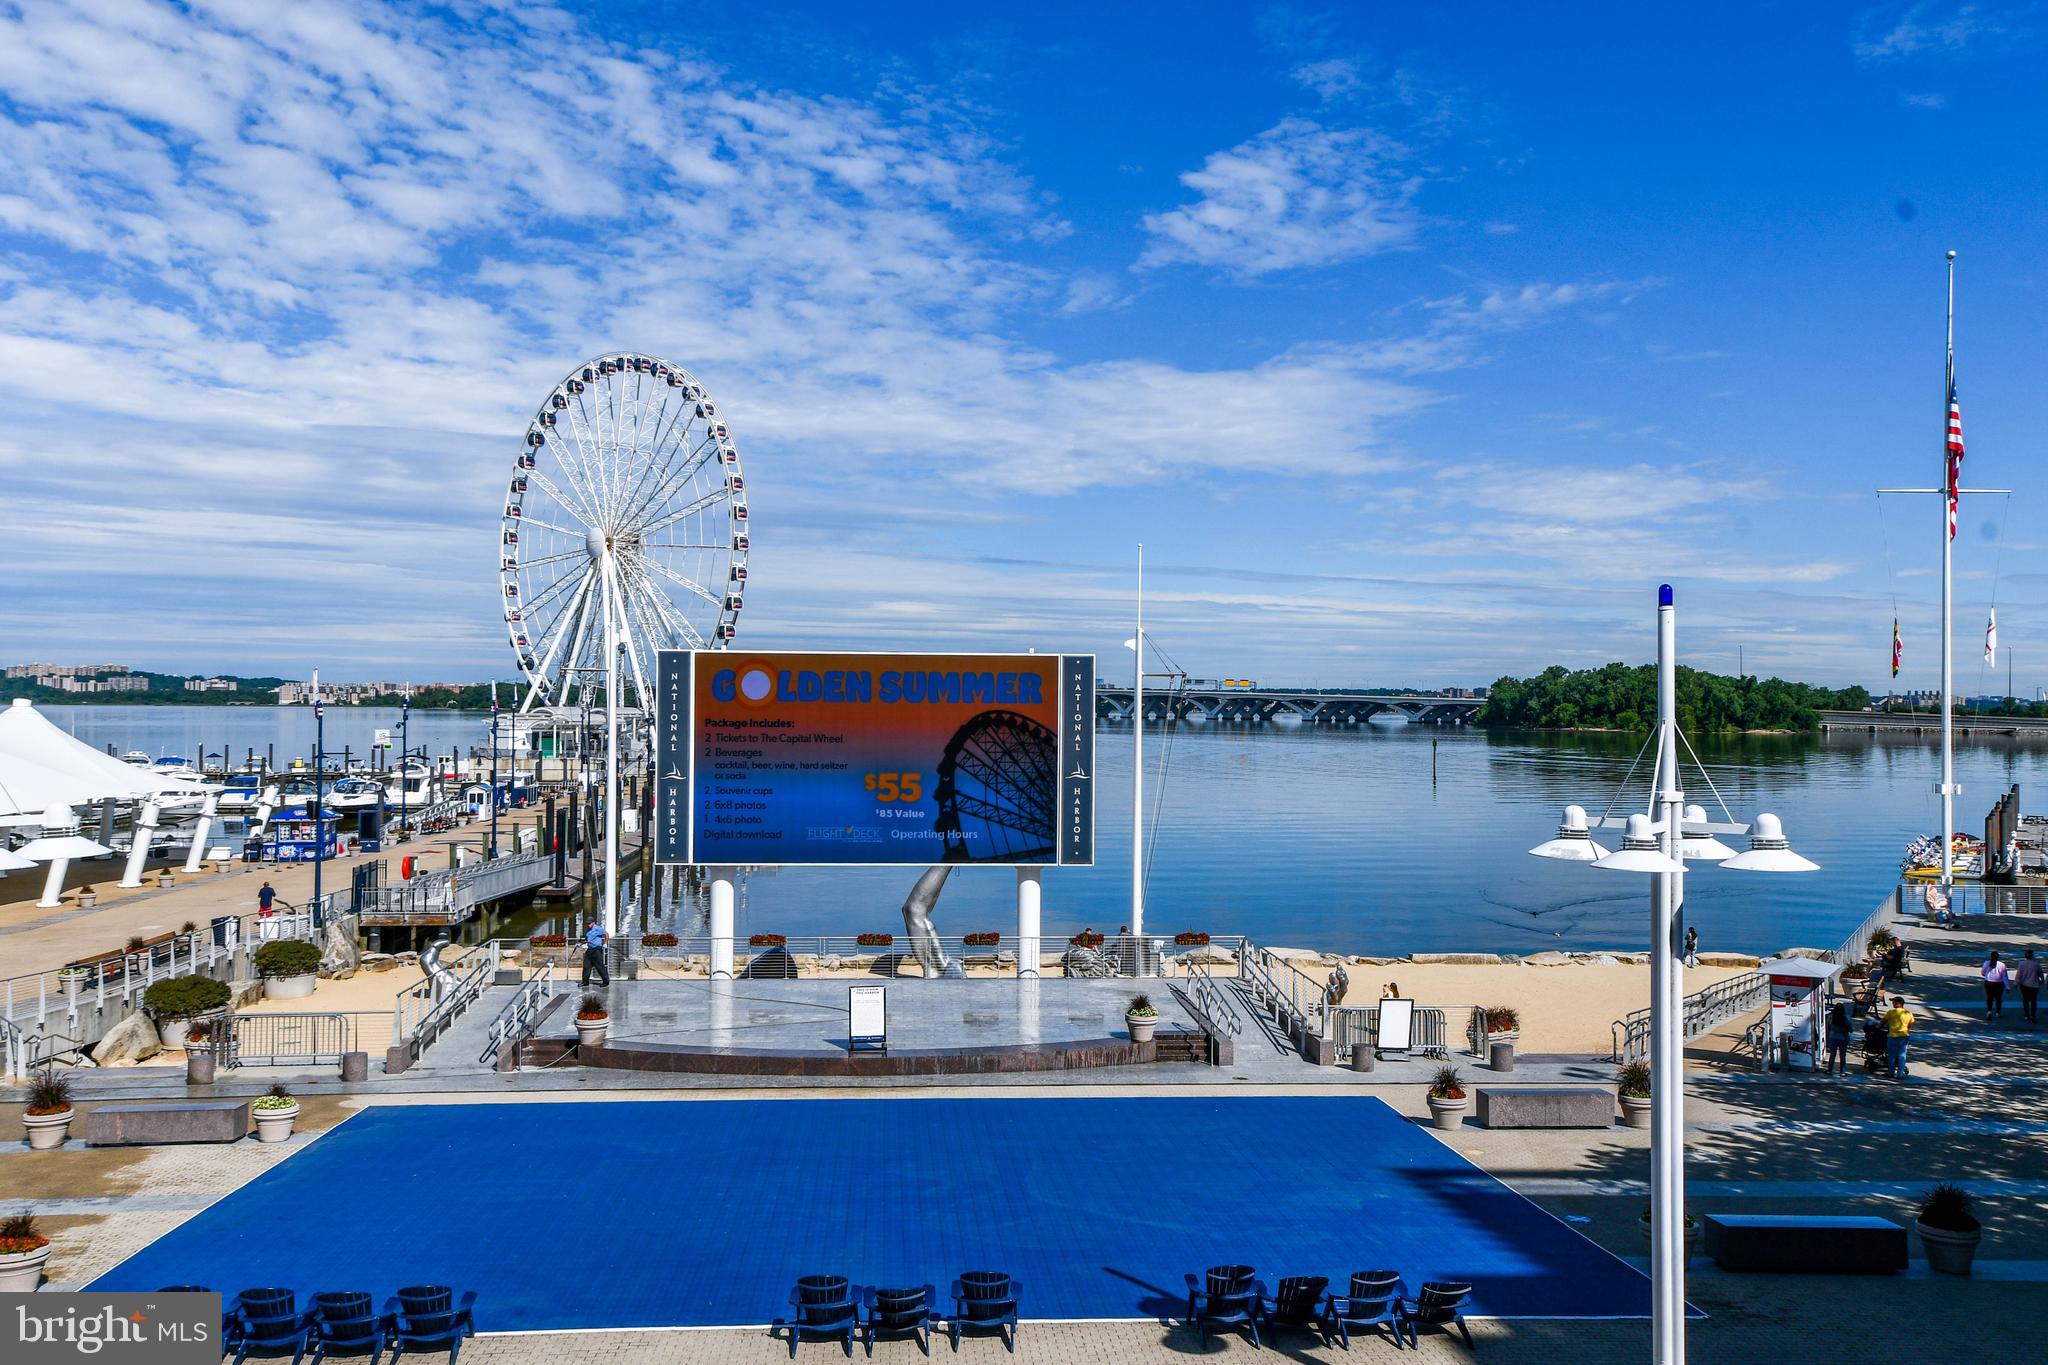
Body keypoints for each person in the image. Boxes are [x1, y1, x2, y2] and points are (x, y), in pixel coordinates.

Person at [1881, 995, 1914, 1079]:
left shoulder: (1891, 1012)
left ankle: (1890, 1073)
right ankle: (1900, 1074)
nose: (1892, 1003)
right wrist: (1907, 1032)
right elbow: (1910, 1025)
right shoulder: (1908, 1013)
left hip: (1893, 1036)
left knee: (1891, 1056)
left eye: (1893, 1002)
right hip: (1904, 1036)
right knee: (1902, 1055)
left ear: (1897, 1003)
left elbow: (1883, 1021)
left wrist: (1877, 1027)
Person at [1824, 999, 1851, 1076]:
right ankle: (1842, 1072)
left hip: (1833, 1037)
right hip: (1843, 1038)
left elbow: (1828, 1026)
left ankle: (1829, 1070)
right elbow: (1851, 1029)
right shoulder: (1846, 1018)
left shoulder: (1830, 1017)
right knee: (1842, 1055)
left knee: (1832, 1055)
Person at [581, 917, 610, 989]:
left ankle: (606, 982)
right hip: (589, 949)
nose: (588, 925)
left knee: (599, 966)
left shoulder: (598, 928)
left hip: (596, 950)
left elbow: (606, 934)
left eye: (589, 923)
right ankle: (585, 982)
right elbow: (587, 938)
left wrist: (605, 943)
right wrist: (581, 943)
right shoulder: (588, 930)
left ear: (593, 922)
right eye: (587, 923)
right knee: (586, 966)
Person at [2016, 948, 2044, 1025]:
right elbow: (2040, 974)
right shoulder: (2036, 964)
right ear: (2032, 956)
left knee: (2025, 1000)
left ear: (2025, 956)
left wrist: (2016, 983)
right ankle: (2033, 1015)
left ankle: (2026, 1014)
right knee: (2033, 1001)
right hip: (2034, 985)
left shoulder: (2021, 964)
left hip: (2024, 985)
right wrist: (2042, 980)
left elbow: (2018, 975)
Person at [1982, 951, 2008, 1019]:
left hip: (1988, 983)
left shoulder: (1986, 963)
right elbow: (2004, 976)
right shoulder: (2002, 965)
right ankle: (1998, 1013)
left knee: (1989, 997)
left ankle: (1989, 1011)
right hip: (1999, 983)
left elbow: (1983, 973)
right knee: (1998, 998)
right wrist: (2007, 986)